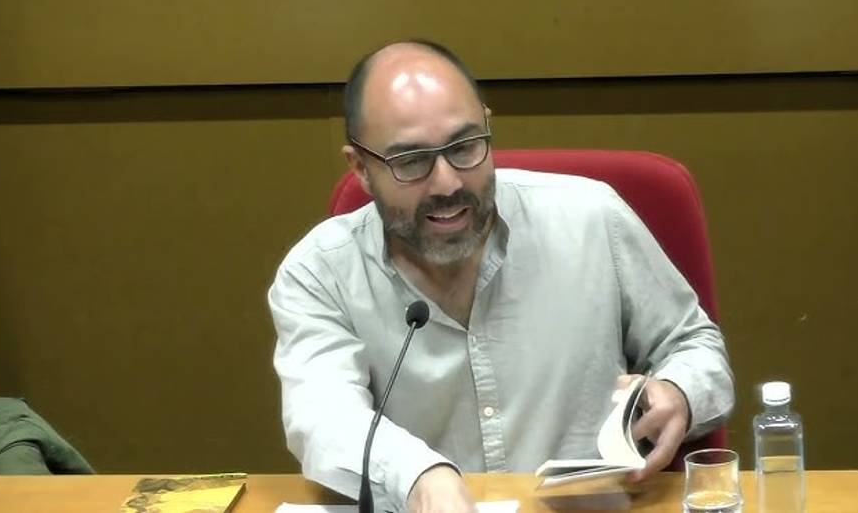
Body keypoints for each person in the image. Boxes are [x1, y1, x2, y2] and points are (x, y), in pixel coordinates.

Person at [268, 40, 733, 513]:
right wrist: (420, 477)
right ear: (361, 169)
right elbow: (322, 418)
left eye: (466, 147)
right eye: (411, 162)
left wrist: (678, 391)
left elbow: (695, 346)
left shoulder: (593, 219)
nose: (447, 183)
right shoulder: (319, 272)